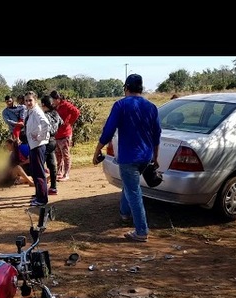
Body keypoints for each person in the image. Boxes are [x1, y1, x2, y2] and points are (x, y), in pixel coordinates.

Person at [92, 74, 161, 243]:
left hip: (129, 157)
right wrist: (155, 157)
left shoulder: (120, 105)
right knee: (130, 185)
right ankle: (124, 213)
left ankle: (142, 231)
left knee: (133, 191)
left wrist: (97, 151)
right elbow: (157, 134)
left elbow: (108, 130)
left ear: (126, 88)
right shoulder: (151, 107)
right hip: (146, 156)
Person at [22, 91, 50, 207]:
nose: (28, 102)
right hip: (33, 145)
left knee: (39, 173)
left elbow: (46, 124)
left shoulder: (37, 112)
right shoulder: (29, 111)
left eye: (30, 100)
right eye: (26, 100)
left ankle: (42, 198)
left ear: (35, 100)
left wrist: (40, 137)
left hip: (38, 145)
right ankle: (39, 195)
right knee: (35, 172)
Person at [50, 90, 80, 182]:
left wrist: (69, 122)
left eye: (54, 100)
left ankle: (66, 174)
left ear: (58, 99)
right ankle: (59, 172)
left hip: (65, 134)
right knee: (58, 154)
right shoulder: (54, 107)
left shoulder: (66, 105)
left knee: (65, 154)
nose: (52, 102)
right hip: (57, 134)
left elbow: (76, 112)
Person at [40, 95, 63, 196]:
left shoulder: (44, 115)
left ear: (43, 104)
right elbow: (61, 123)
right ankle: (53, 187)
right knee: (52, 164)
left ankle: (41, 190)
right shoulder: (56, 113)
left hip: (45, 140)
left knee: (40, 165)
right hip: (53, 140)